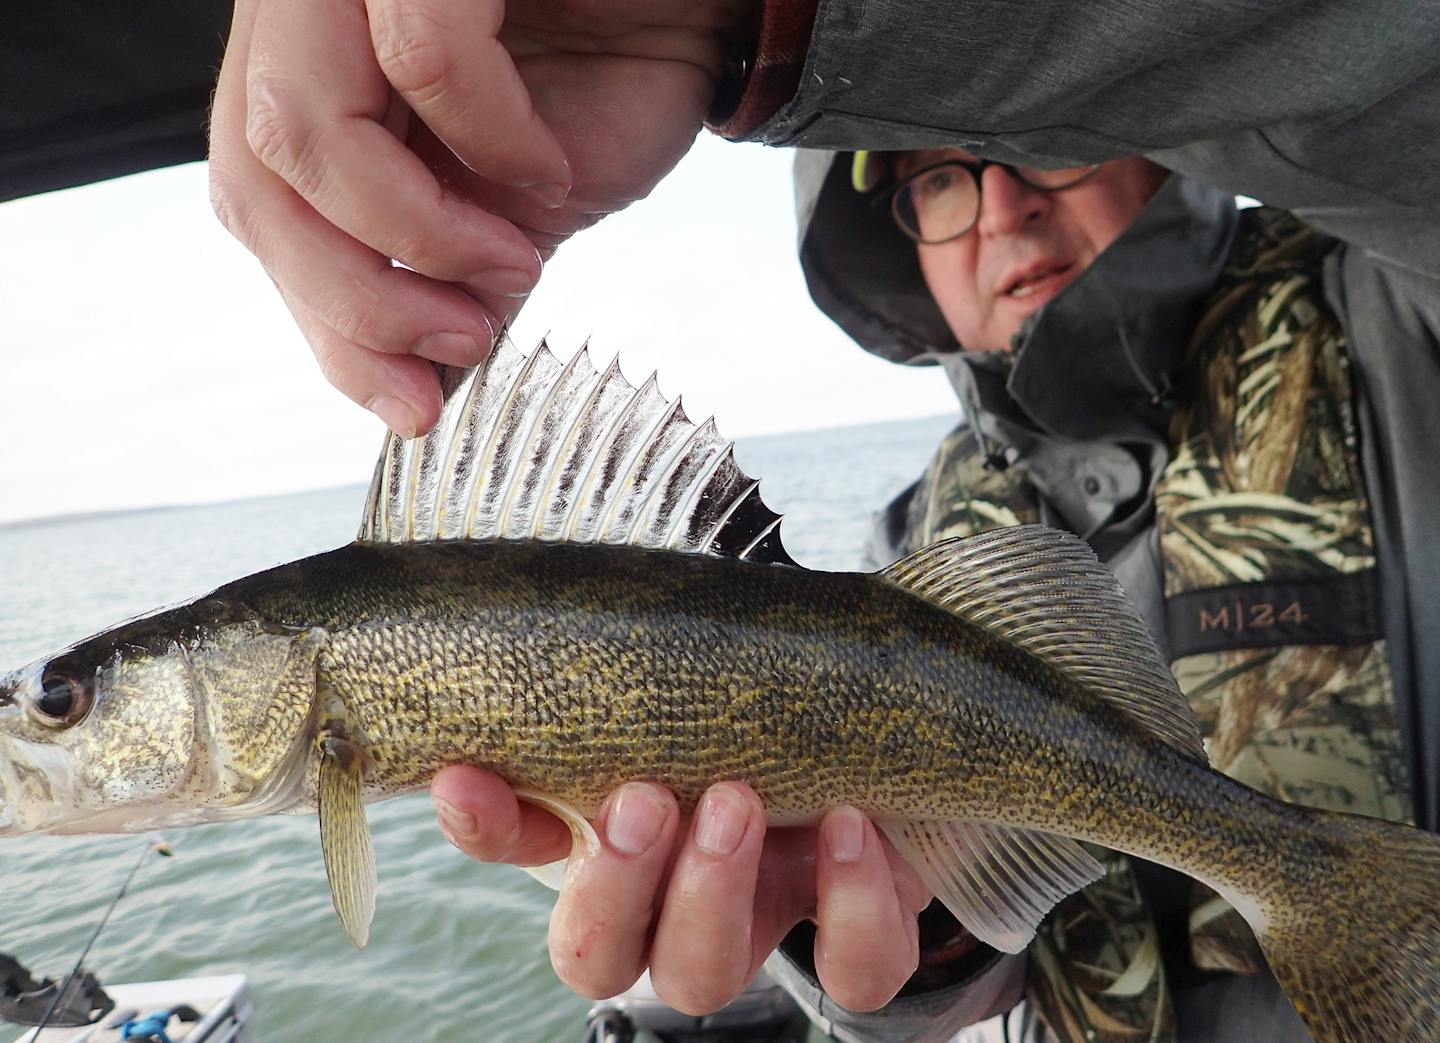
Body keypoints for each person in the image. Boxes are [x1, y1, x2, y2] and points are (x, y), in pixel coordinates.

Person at [207, 2, 1440, 1040]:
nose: (1001, 209)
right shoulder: (934, 536)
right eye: (941, 178)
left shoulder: (1396, 312)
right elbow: (993, 938)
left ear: (1155, 137)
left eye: (1043, 146)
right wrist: (884, 927)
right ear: (899, 241)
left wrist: (736, 10)